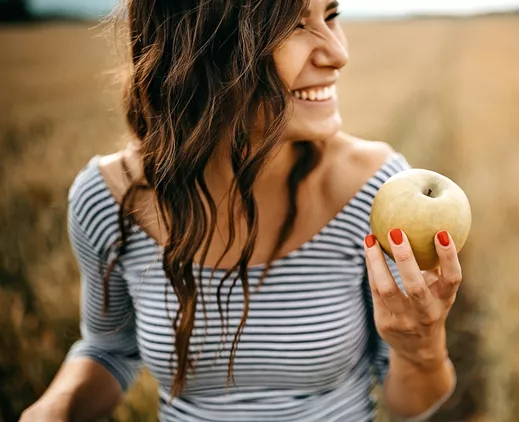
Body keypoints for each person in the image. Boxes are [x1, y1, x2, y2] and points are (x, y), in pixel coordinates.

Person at [21, 0, 461, 420]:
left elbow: (411, 403)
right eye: (293, 25)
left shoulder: (375, 191)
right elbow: (108, 350)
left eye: (332, 15)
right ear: (201, 45)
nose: (338, 53)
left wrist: (419, 347)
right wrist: (53, 408)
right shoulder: (107, 200)